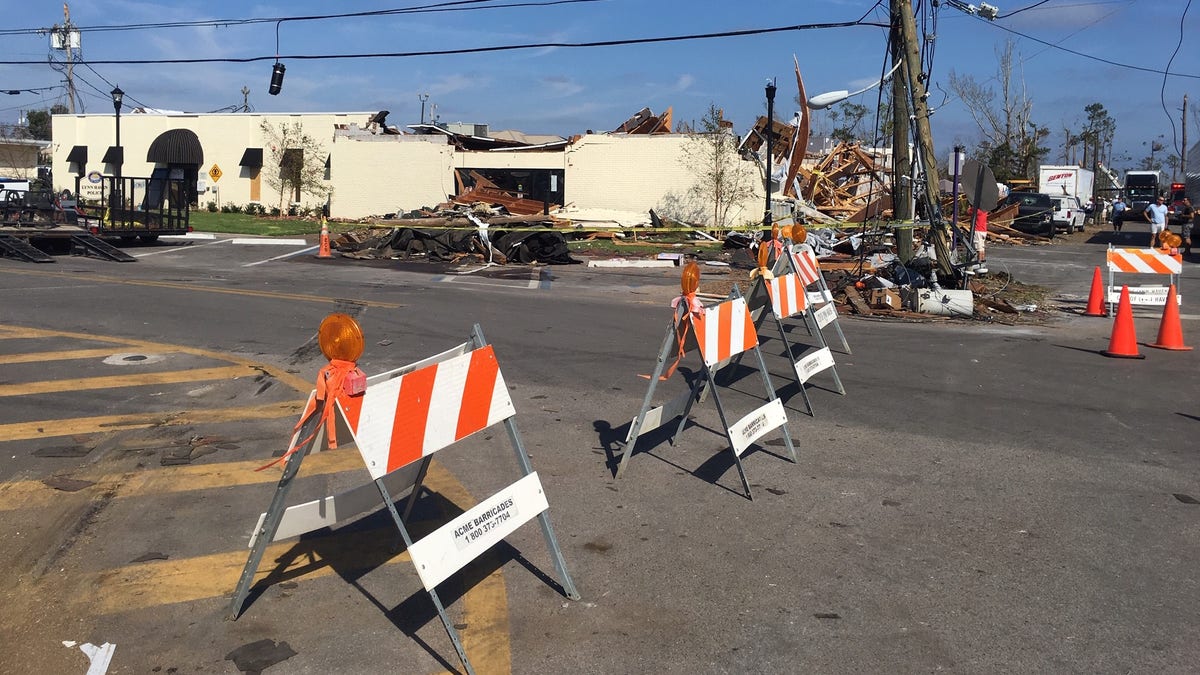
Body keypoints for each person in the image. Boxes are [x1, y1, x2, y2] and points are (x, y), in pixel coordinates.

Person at [971, 205, 988, 273]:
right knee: (982, 248)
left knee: (978, 248)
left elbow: (968, 211)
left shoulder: (977, 210)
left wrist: (971, 206)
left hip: (978, 230)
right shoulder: (985, 209)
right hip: (983, 230)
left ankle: (979, 263)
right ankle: (982, 263)